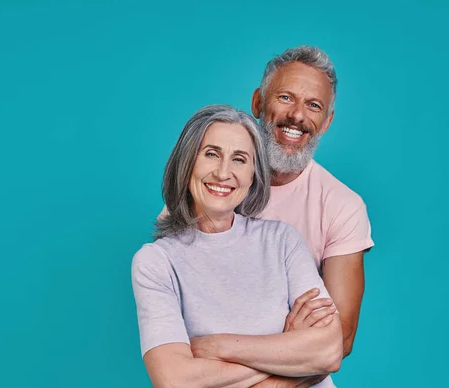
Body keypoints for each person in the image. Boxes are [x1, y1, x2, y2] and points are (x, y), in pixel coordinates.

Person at [189, 46, 375, 387]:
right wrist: (288, 344)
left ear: (327, 121)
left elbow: (338, 341)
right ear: (259, 102)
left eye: (314, 105)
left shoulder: (342, 205)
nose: (297, 116)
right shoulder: (206, 187)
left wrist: (261, 379)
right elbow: (183, 325)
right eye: (286, 97)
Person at [131, 105, 343, 388]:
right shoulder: (156, 262)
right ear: (186, 163)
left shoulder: (283, 241)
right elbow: (175, 380)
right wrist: (289, 354)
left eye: (240, 159)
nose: (223, 173)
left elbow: (329, 351)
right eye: (211, 154)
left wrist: (218, 348)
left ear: (254, 174)